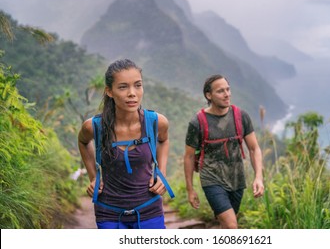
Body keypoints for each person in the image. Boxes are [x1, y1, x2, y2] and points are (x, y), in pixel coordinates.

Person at [78, 59, 171, 229]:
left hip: (149, 210)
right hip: (108, 213)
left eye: (138, 85)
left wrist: (161, 172)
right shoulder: (94, 126)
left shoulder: (155, 122)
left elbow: (163, 140)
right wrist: (93, 177)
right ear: (109, 91)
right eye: (123, 87)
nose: (132, 93)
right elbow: (83, 142)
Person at [183, 74, 264, 229]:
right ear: (209, 95)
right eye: (221, 91)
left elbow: (254, 148)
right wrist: (190, 189)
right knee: (232, 226)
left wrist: (258, 177)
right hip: (212, 179)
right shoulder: (197, 122)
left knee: (227, 225)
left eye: (228, 89)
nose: (227, 94)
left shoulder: (241, 116)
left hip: (237, 180)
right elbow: (188, 156)